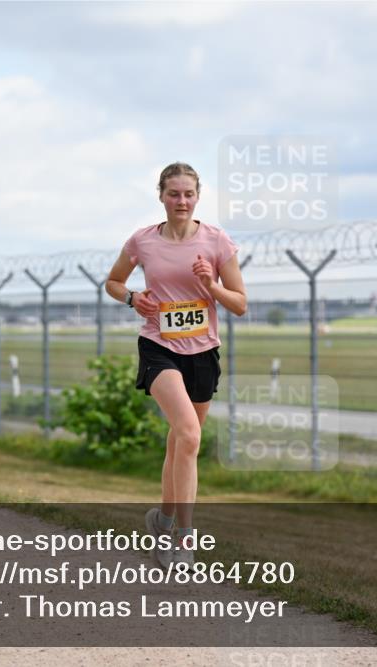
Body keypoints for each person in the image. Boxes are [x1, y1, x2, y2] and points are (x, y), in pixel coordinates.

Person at [106, 163, 247, 569]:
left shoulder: (218, 241)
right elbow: (113, 282)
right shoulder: (143, 241)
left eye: (188, 194)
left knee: (181, 441)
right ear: (161, 196)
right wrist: (133, 299)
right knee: (187, 433)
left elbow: (239, 304)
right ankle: (185, 539)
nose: (181, 201)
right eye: (173, 194)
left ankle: (162, 520)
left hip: (202, 353)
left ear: (197, 197)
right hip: (158, 348)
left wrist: (210, 285)